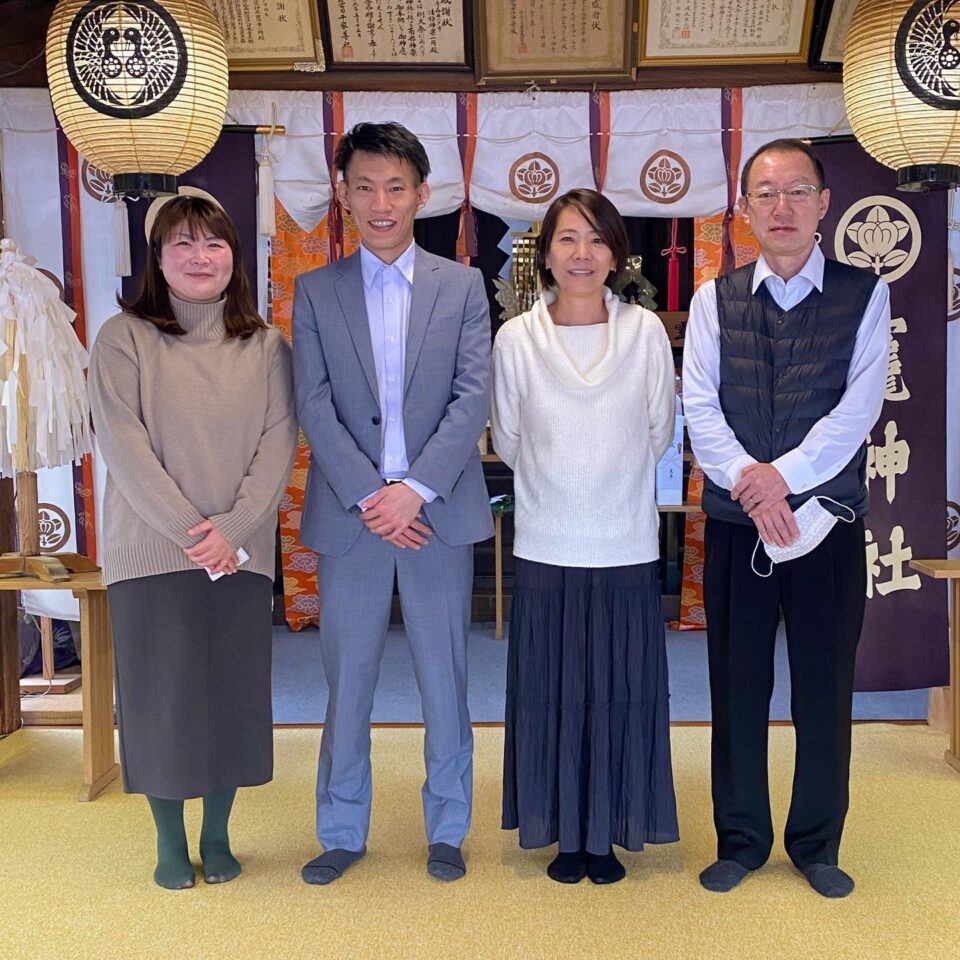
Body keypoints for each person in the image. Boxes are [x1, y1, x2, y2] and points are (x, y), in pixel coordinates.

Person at [682, 139, 890, 898]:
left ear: (824, 203)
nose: (781, 207)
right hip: (741, 527)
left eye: (797, 191)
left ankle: (816, 842)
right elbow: (699, 407)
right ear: (743, 210)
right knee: (736, 685)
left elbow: (855, 412)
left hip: (828, 523)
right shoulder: (714, 298)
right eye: (765, 194)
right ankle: (739, 837)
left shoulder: (865, 295)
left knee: (823, 687)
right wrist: (750, 485)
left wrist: (783, 480)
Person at [293, 122, 492, 885]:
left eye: (396, 187)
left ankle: (448, 825)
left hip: (437, 515)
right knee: (349, 679)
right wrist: (375, 496)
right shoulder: (315, 291)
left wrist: (413, 491)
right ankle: (341, 830)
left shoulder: (461, 285)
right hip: (353, 518)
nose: (381, 202)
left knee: (446, 676)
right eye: (365, 187)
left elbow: (472, 398)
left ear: (423, 194)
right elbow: (313, 402)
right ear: (344, 196)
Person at [88, 195, 297, 889]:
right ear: (157, 259)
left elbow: (277, 446)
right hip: (150, 552)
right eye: (181, 244)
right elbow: (124, 447)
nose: (199, 257)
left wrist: (230, 533)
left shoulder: (265, 346)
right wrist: (192, 533)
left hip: (238, 556)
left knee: (231, 696)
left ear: (234, 256)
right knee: (162, 700)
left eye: (213, 244)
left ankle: (217, 832)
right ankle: (169, 841)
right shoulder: (123, 338)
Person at [491, 188, 679, 885]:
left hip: (625, 543)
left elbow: (660, 430)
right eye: (567, 239)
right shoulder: (516, 339)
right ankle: (565, 833)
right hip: (546, 545)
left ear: (618, 253)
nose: (582, 253)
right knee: (553, 693)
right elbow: (508, 438)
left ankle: (609, 832)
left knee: (619, 691)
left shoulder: (645, 334)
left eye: (596, 240)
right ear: (546, 253)